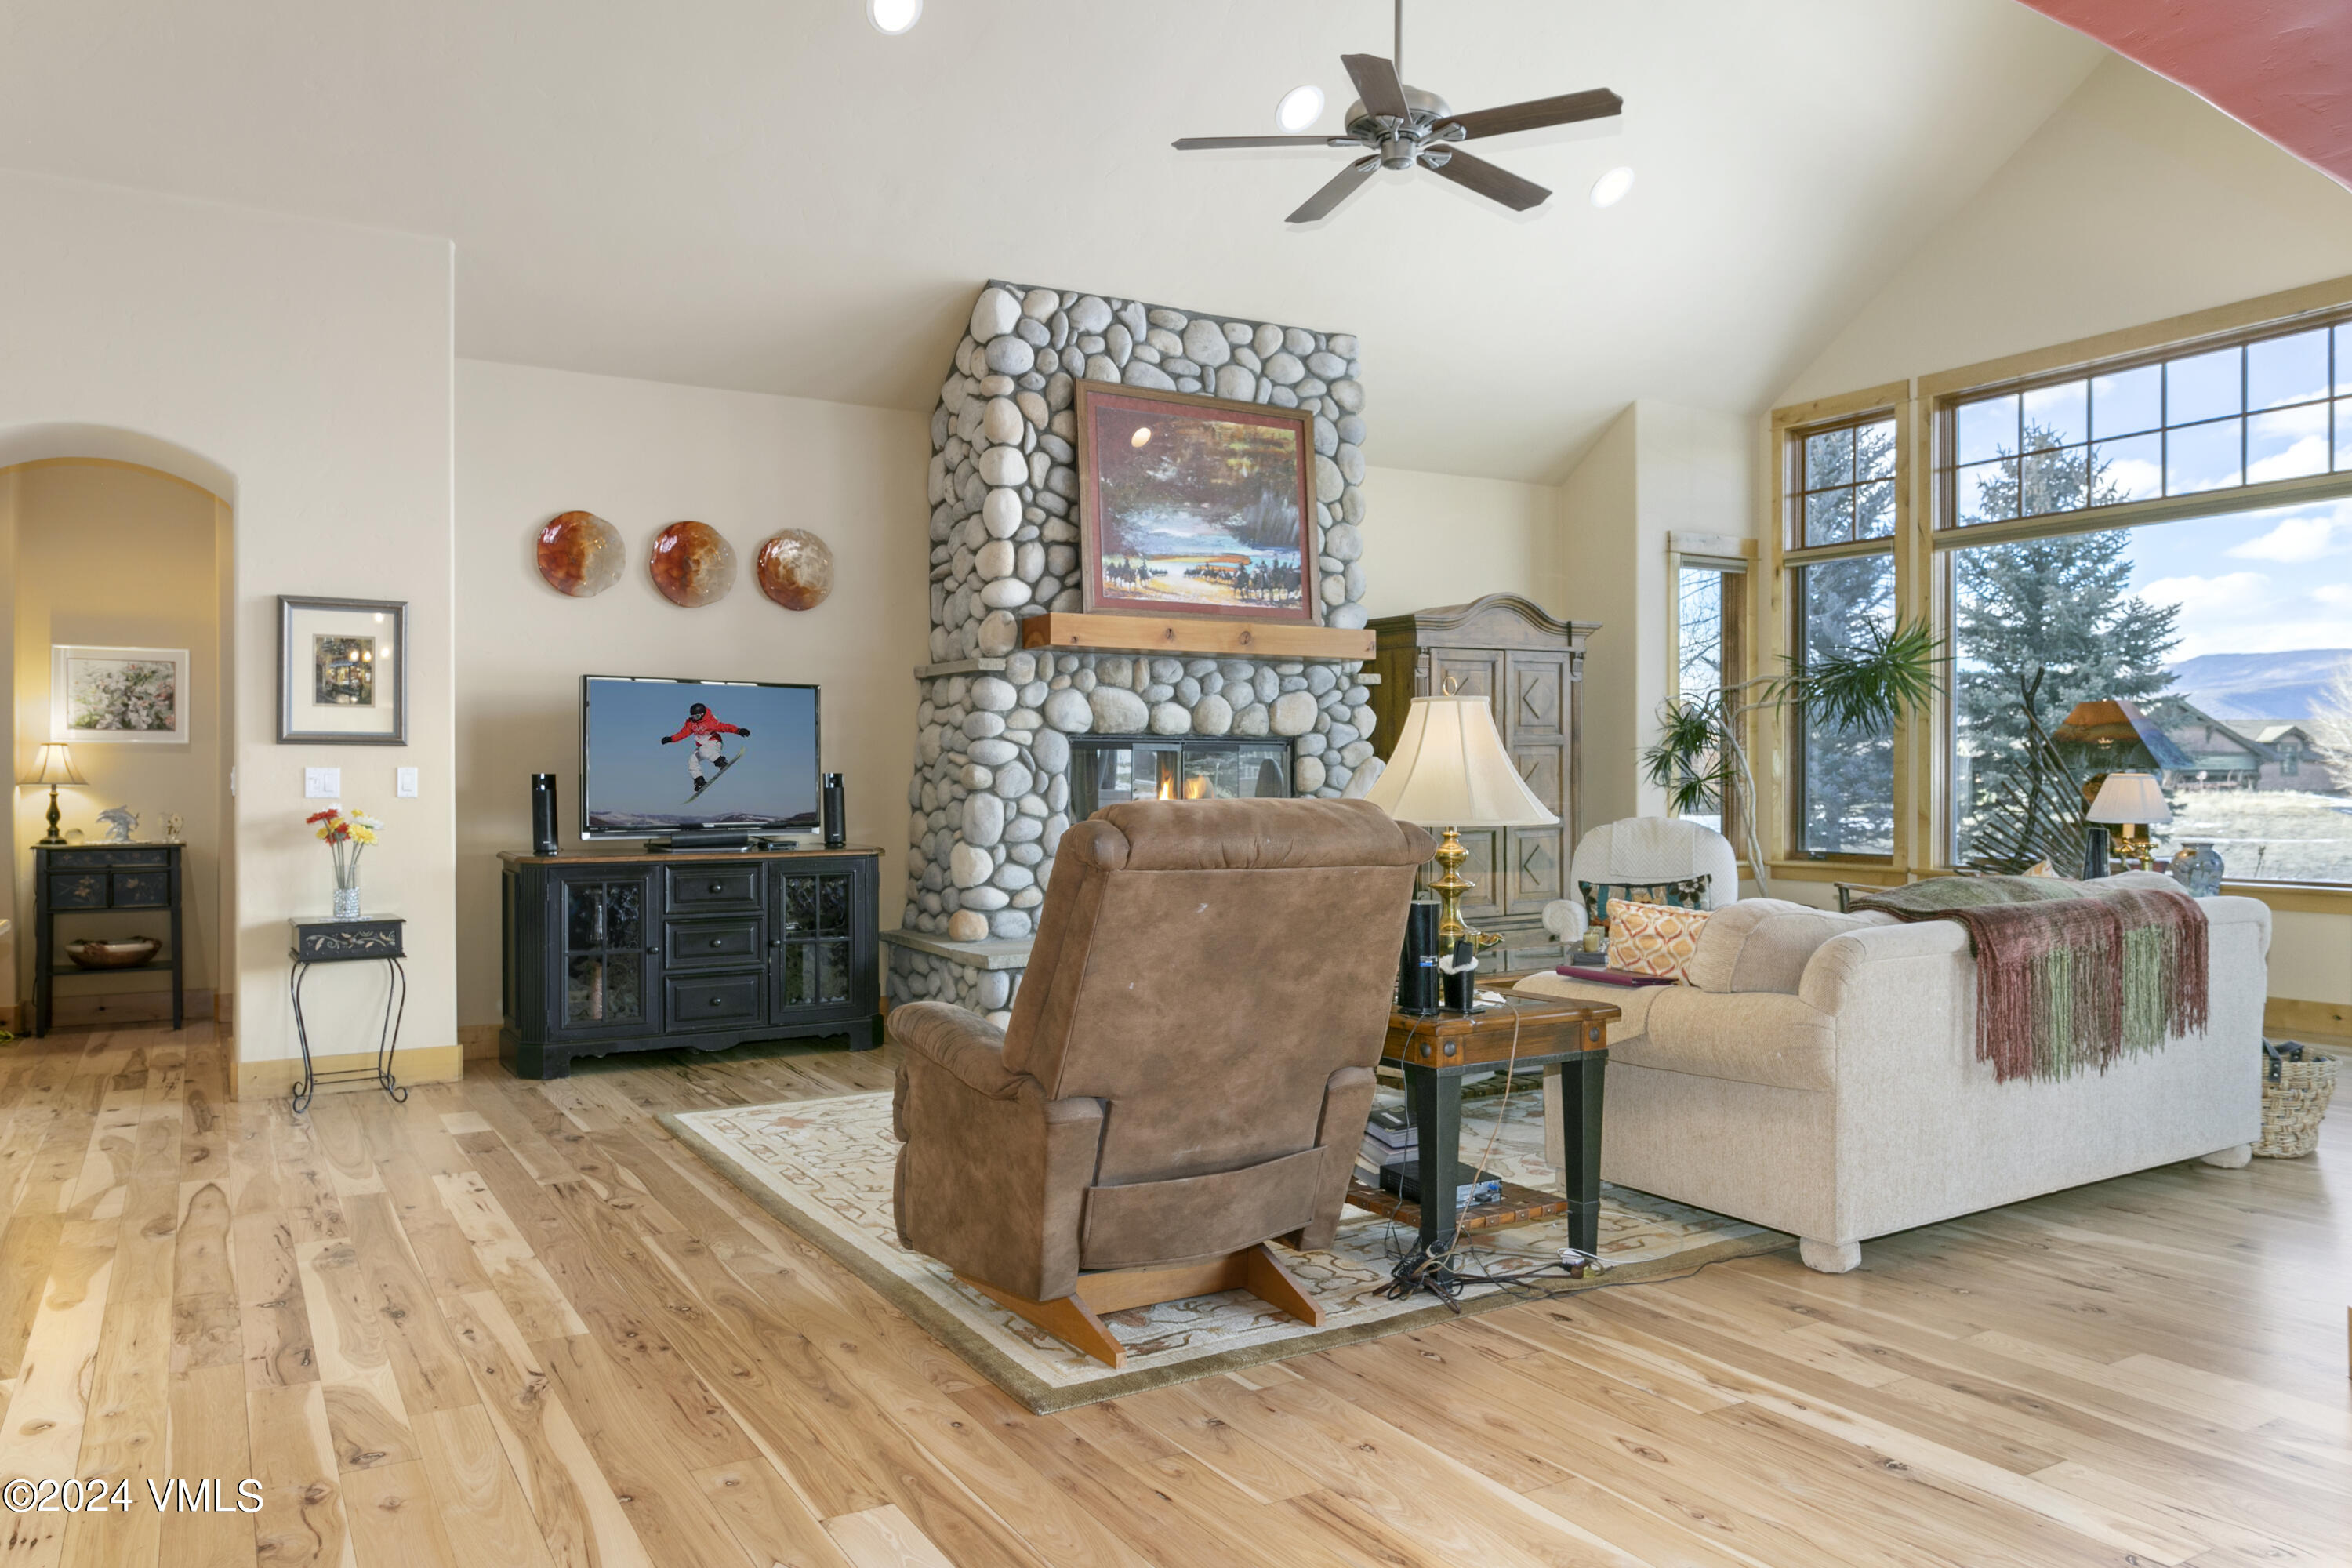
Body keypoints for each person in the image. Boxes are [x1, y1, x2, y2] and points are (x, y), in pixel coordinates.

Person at [660, 702, 750, 795]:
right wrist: (671, 739)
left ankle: (721, 762)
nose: (695, 718)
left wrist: (738, 731)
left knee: (704, 750)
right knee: (692, 759)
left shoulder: (710, 722)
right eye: (693, 716)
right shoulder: (692, 724)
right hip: (703, 746)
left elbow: (725, 727)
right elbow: (683, 734)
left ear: (702, 714)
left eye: (697, 716)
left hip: (714, 743)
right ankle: (699, 781)